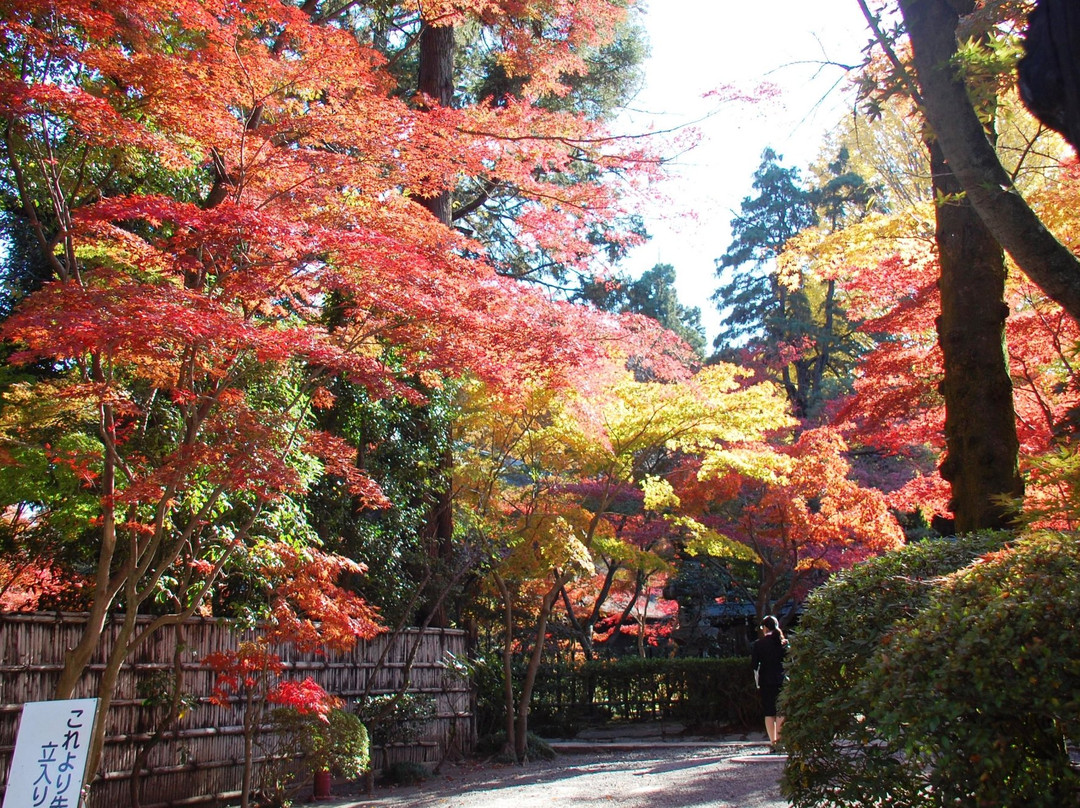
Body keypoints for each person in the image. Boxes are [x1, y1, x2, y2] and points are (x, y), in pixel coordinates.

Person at [751, 615, 787, 752]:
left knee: (769, 712)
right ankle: (780, 741)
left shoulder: (759, 644)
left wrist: (757, 684)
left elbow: (754, 666)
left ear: (765, 628)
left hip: (765, 681)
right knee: (781, 712)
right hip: (781, 680)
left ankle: (773, 742)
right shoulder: (783, 643)